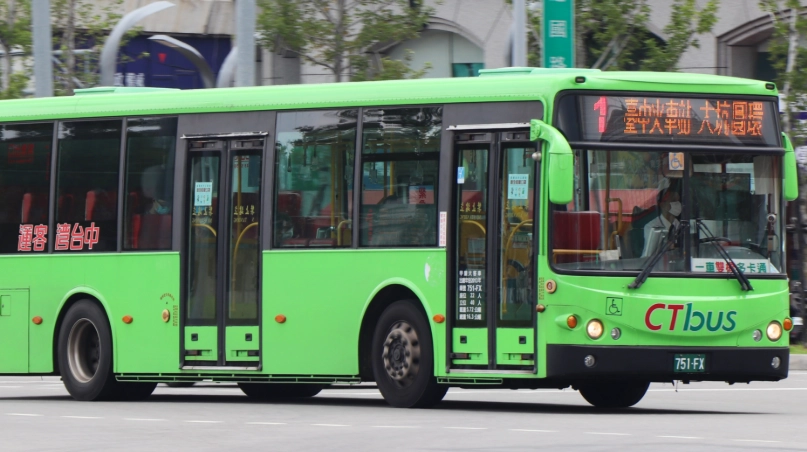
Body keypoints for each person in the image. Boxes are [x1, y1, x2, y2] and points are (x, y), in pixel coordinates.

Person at [642, 177, 681, 256]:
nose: (678, 204)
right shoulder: (652, 227)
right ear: (663, 205)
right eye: (673, 200)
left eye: (678, 201)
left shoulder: (679, 225)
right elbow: (650, 255)